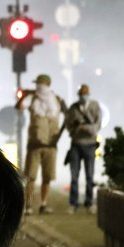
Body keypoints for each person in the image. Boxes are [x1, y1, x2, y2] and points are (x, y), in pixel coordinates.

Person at [15, 73, 66, 215]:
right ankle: (29, 206)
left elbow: (68, 114)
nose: (38, 86)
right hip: (34, 145)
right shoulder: (33, 98)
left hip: (51, 145)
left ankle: (43, 204)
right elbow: (19, 107)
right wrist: (24, 95)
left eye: (39, 84)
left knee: (47, 177)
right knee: (31, 177)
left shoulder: (56, 99)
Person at [64, 84, 101, 214]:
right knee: (74, 176)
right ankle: (73, 203)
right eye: (81, 94)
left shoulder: (94, 106)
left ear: (88, 94)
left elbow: (97, 126)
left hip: (90, 145)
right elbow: (68, 125)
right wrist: (75, 128)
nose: (83, 96)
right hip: (76, 144)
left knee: (89, 176)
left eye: (85, 94)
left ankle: (89, 203)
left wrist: (85, 128)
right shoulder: (73, 108)